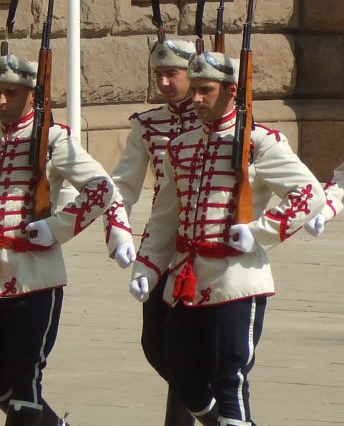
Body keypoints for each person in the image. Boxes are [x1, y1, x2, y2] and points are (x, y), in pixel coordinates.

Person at [129, 50, 326, 426]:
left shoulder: (261, 141)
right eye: (195, 90)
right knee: (182, 377)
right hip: (187, 281)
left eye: (206, 90)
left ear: (231, 90)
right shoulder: (180, 145)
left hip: (236, 281)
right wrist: (147, 265)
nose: (196, 99)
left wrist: (259, 233)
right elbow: (166, 216)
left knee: (229, 379)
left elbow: (308, 195)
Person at [0, 52, 134, 426]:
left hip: (35, 277)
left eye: (11, 92)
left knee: (25, 379)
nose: (1, 102)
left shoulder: (54, 140)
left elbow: (101, 187)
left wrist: (57, 227)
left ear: (32, 95)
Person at [104, 36, 200, 426]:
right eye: (158, 74)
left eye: (171, 74)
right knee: (155, 345)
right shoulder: (148, 124)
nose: (163, 83)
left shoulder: (219, 119)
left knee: (185, 349)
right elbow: (123, 183)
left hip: (204, 245)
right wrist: (118, 231)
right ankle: (203, 402)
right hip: (161, 244)